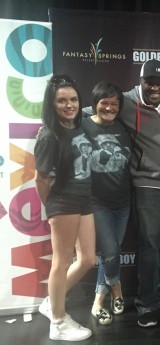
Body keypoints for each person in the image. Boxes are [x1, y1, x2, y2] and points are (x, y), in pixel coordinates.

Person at [105, 59, 160, 327]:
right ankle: (147, 302)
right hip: (147, 187)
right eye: (149, 82)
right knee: (149, 247)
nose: (155, 87)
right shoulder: (127, 101)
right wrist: (55, 122)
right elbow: (95, 109)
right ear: (141, 81)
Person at [35, 74, 95, 341]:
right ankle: (58, 322)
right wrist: (51, 207)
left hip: (84, 199)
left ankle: (52, 302)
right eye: (61, 101)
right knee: (60, 263)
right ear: (52, 103)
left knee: (87, 260)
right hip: (63, 202)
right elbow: (41, 178)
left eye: (73, 99)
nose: (69, 105)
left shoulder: (79, 126)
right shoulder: (48, 135)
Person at [81, 82, 132, 325]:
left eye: (114, 104)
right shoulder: (82, 124)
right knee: (111, 251)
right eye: (104, 102)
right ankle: (117, 289)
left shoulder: (124, 127)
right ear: (95, 103)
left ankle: (97, 301)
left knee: (110, 254)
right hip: (96, 202)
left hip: (123, 202)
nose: (109, 108)